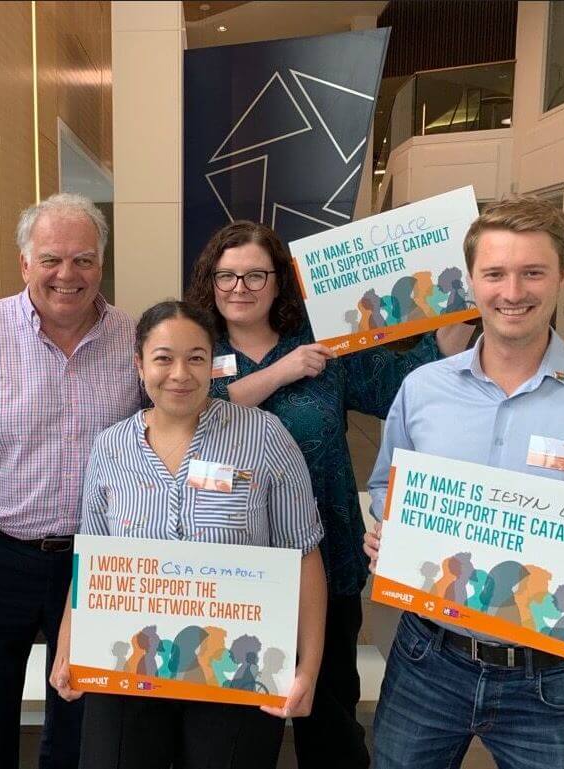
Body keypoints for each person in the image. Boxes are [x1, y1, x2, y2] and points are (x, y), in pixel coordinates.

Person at [363, 196, 564, 769]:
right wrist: (393, 533)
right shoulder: (423, 389)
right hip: (427, 660)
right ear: (471, 281)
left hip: (553, 675)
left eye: (532, 271)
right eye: (495, 273)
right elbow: (390, 484)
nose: (513, 292)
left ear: (562, 273)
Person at [184, 220, 473, 768]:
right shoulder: (196, 349)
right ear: (209, 281)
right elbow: (194, 413)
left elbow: (403, 384)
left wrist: (456, 313)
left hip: (324, 557)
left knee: (331, 706)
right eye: (226, 275)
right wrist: (281, 373)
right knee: (233, 715)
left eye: (254, 275)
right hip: (224, 566)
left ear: (278, 282)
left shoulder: (322, 347)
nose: (239, 287)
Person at [0, 193, 141, 769]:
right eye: (51, 259)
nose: (68, 275)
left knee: (82, 724)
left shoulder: (135, 342)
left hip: (95, 564)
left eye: (84, 259)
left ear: (102, 263)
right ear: (23, 263)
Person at [49, 300, 327, 769]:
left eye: (196, 357)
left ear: (211, 362)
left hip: (233, 667)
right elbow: (90, 561)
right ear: (139, 365)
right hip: (129, 667)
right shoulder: (111, 447)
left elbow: (303, 555)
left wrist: (309, 669)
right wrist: (66, 647)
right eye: (163, 358)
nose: (180, 373)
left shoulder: (263, 437)